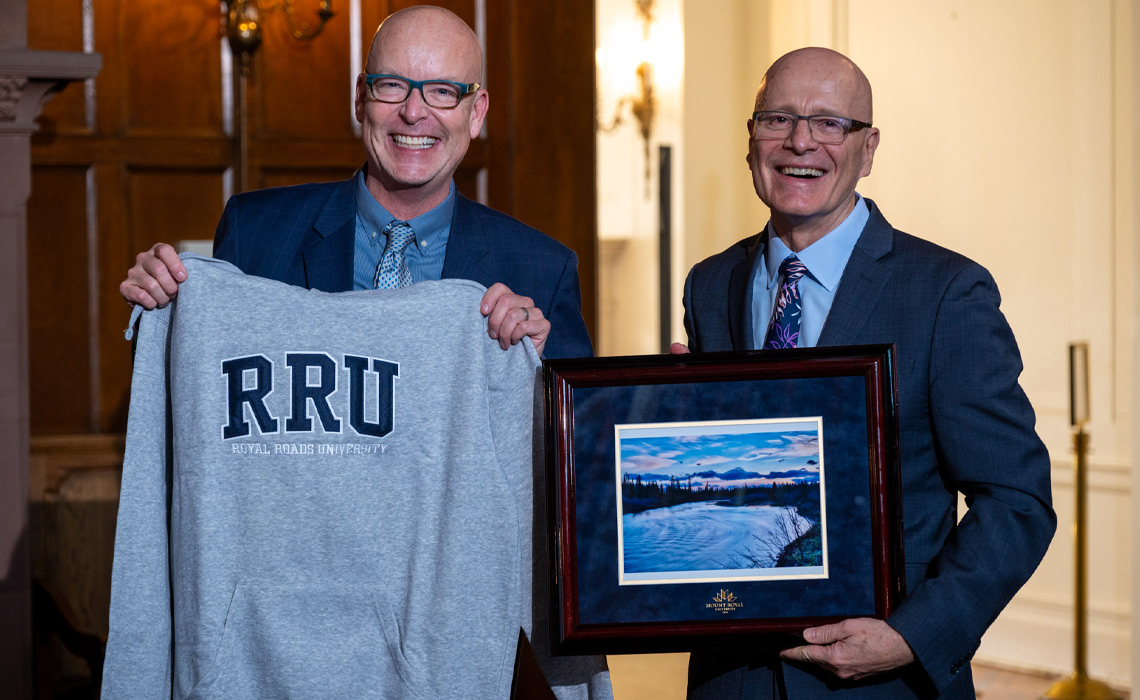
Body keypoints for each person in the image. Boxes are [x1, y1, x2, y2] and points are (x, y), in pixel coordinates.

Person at [675, 47, 1055, 699]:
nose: (800, 141)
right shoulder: (711, 285)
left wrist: (913, 636)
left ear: (868, 147)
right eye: (777, 119)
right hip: (730, 677)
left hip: (883, 683)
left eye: (829, 123)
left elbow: (1016, 499)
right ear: (751, 141)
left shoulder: (946, 294)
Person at [118, 4, 591, 361]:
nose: (413, 111)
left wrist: (539, 373)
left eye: (443, 92)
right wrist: (164, 308)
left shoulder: (543, 273)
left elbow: (581, 457)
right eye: (391, 85)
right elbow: (202, 389)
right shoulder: (254, 233)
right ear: (360, 98)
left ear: (476, 113)